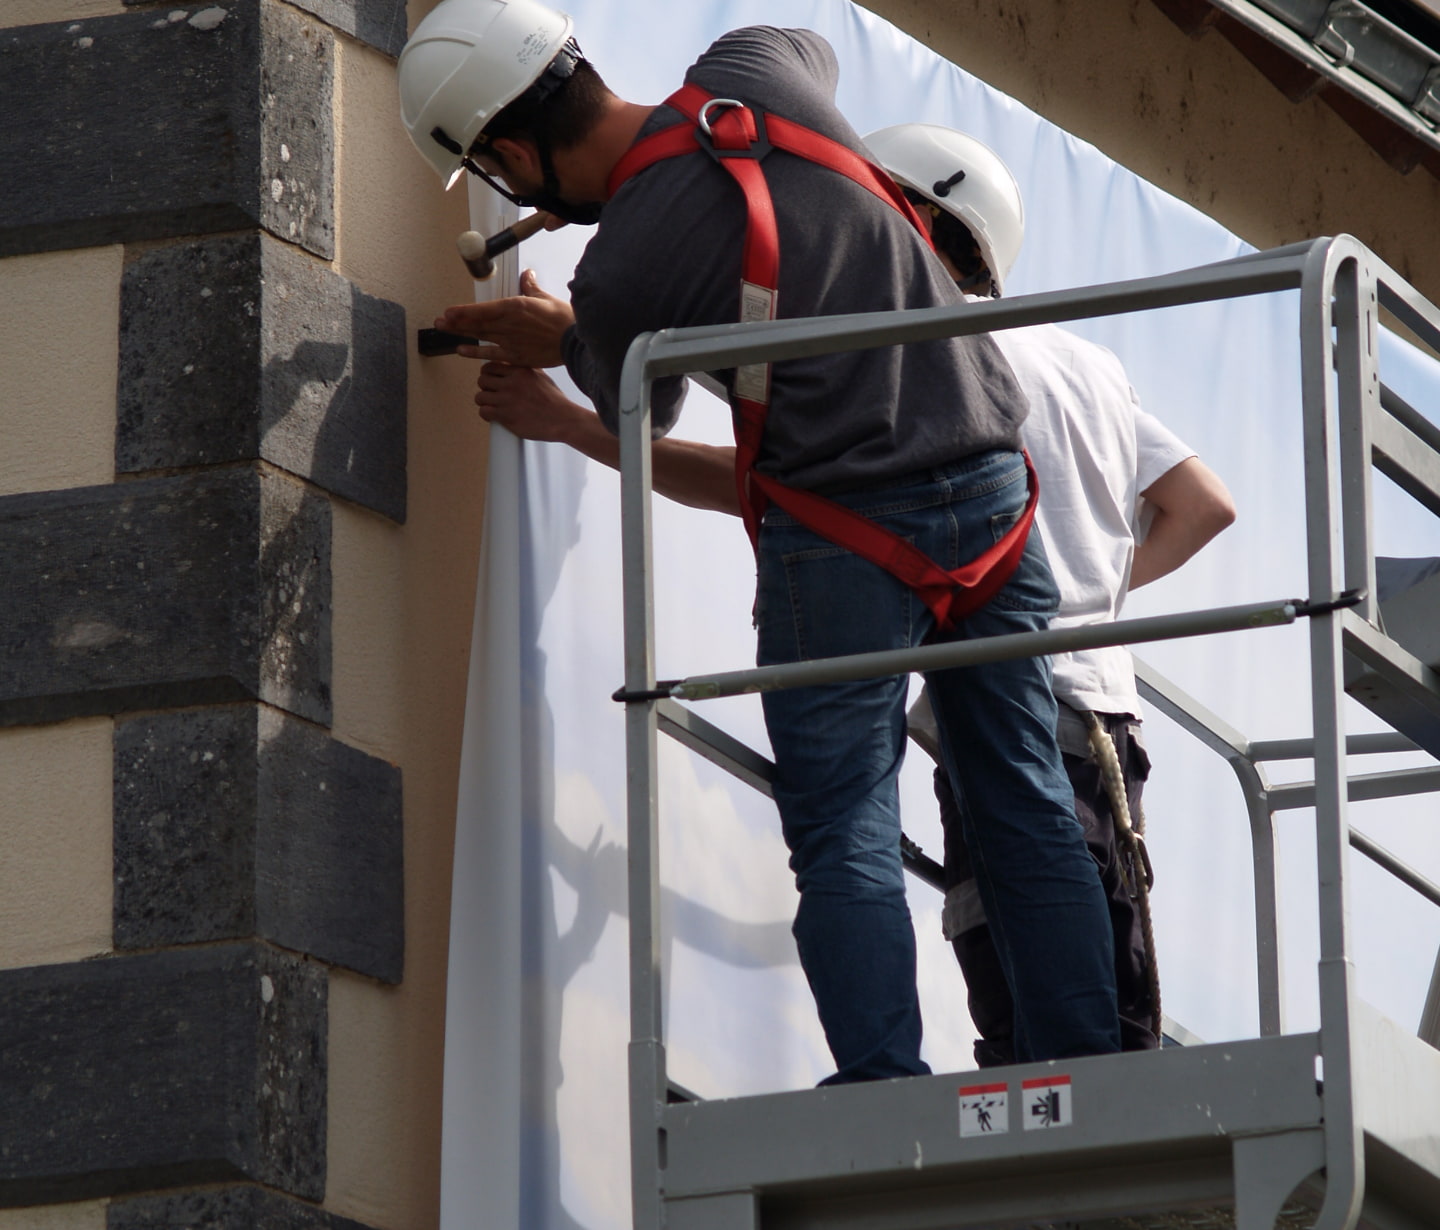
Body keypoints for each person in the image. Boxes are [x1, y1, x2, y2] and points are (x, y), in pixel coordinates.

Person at [399, 0, 1122, 1082]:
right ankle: (1092, 1072)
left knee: (844, 828)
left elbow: (642, 397)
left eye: (505, 177)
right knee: (1021, 794)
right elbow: (809, 51)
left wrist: (573, 329)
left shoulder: (624, 273)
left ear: (509, 152)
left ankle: (884, 1087)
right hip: (989, 499)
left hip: (843, 540)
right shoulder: (754, 67)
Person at [862, 123, 1236, 1065]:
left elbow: (781, 481)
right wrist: (1093, 592)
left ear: (914, 219)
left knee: (1030, 1012)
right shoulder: (1084, 364)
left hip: (1010, 708)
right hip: (1104, 718)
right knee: (1111, 994)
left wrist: (593, 429)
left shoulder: (926, 355)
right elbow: (1203, 505)